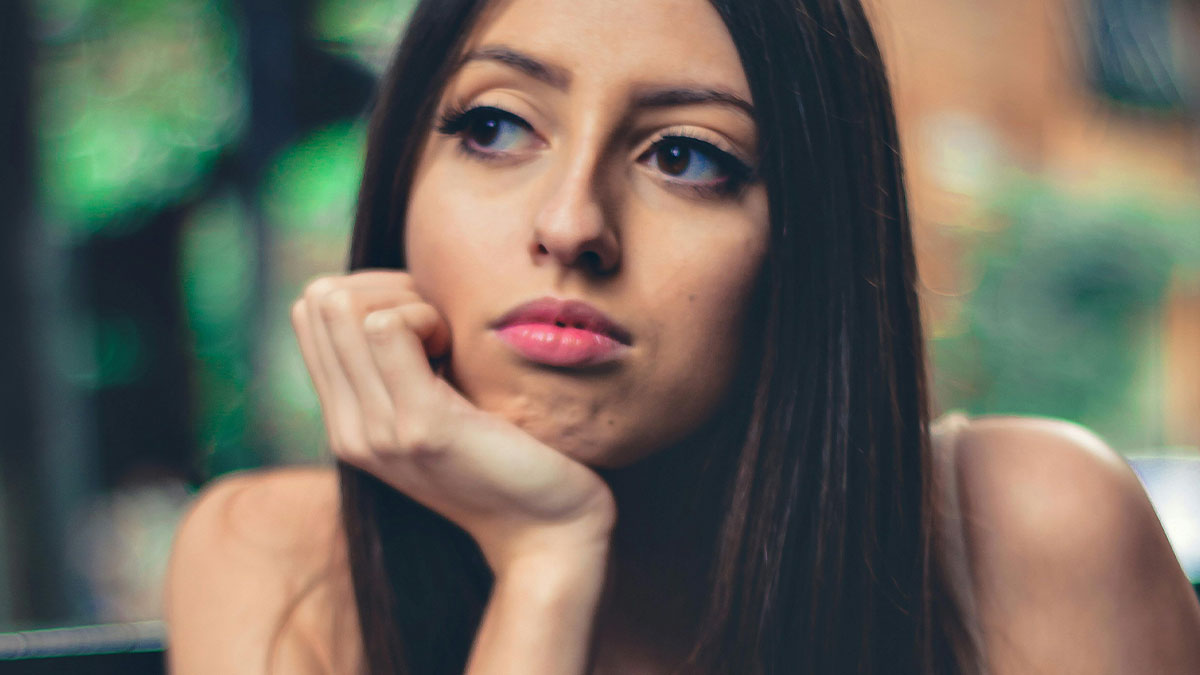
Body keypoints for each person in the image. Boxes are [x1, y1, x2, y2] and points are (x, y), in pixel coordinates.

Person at [162, 0, 1200, 672]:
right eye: (495, 127)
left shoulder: (1032, 535)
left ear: (805, 241)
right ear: (402, 180)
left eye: (686, 157)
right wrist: (545, 563)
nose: (570, 223)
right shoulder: (275, 562)